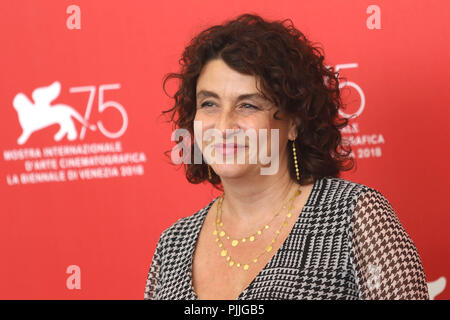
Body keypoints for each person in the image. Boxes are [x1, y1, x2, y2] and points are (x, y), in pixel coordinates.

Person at [144, 13, 429, 300]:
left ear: (294, 123)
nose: (223, 125)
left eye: (248, 105)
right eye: (209, 103)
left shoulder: (354, 217)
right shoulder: (173, 245)